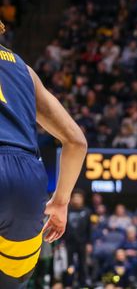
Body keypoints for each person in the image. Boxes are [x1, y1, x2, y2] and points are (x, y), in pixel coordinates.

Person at [0, 26, 88, 286]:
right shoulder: (24, 70)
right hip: (28, 180)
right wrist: (60, 203)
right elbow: (76, 141)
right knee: (12, 282)